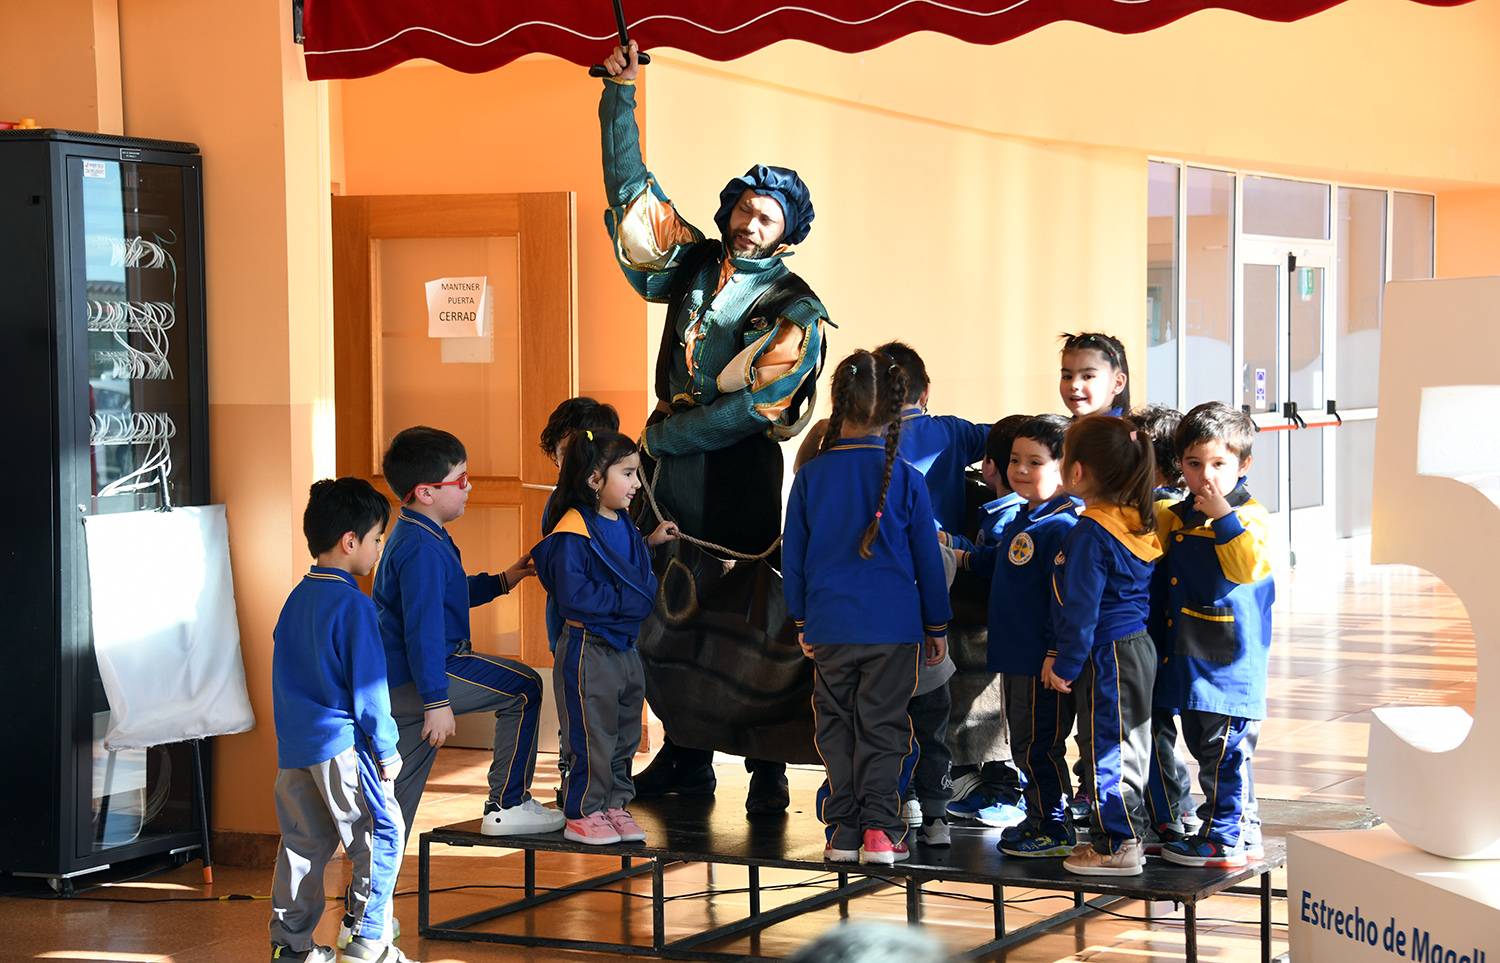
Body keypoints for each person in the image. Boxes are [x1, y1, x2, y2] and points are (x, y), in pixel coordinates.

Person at [599, 41, 830, 813]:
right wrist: (619, 98)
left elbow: (758, 405)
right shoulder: (695, 265)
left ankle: (768, 770)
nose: (748, 222)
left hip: (736, 474)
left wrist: (665, 440)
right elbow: (635, 202)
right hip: (671, 479)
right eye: (742, 208)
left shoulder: (796, 306)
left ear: (786, 231)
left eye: (765, 216)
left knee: (748, 614)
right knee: (672, 610)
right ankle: (686, 756)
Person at [783, 350, 951, 865]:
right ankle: (881, 831)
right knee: (884, 727)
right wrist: (936, 625)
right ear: (896, 410)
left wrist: (801, 619)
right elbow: (928, 558)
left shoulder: (811, 477)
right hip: (895, 632)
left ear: (838, 406)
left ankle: (844, 833)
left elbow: (794, 556)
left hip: (830, 628)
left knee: (835, 727)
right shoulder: (907, 479)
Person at [373, 426, 565, 840]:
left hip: (402, 681)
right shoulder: (422, 548)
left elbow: (449, 594)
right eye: (460, 480)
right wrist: (436, 701)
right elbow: (422, 631)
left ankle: (370, 900)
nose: (468, 486)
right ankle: (507, 804)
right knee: (526, 686)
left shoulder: (417, 532)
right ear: (426, 492)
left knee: (395, 804)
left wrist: (503, 580)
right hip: (428, 672)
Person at [269, 478, 416, 963]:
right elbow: (370, 689)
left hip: (296, 749)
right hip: (341, 748)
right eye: (377, 539)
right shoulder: (355, 604)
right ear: (349, 542)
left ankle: (290, 949)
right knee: (383, 832)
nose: (378, 549)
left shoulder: (296, 598)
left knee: (301, 846)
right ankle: (369, 940)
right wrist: (389, 748)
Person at [532, 429, 680, 844]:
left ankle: (614, 804)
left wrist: (647, 552)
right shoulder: (572, 528)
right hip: (587, 649)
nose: (636, 484)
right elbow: (574, 594)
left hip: (623, 648)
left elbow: (626, 568)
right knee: (591, 736)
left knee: (624, 733)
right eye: (629, 474)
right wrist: (628, 599)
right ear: (595, 479)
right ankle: (583, 811)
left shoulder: (624, 524)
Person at [955, 415, 1083, 858]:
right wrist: (962, 557)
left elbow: (1064, 601)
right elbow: (1001, 562)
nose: (1021, 471)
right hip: (1014, 655)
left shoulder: (1064, 525)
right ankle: (1041, 817)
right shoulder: (1027, 515)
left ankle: (1053, 825)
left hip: (1037, 660)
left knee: (1037, 745)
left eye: (1035, 462)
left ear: (1068, 469)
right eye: (1015, 460)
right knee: (1026, 742)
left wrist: (1053, 652)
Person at [1156, 402, 1275, 869]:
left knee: (1224, 754)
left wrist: (1223, 515)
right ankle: (1244, 830)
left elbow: (1246, 565)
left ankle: (1223, 837)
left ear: (1243, 465)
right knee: (1205, 747)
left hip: (1229, 667)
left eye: (1219, 464)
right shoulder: (1180, 512)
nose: (1205, 477)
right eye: (1194, 464)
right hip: (1190, 658)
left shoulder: (1249, 516)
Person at [1042, 415, 1161, 876]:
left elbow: (1082, 607)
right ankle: (1118, 835)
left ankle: (1119, 844)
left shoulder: (1091, 532)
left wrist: (1066, 664)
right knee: (1121, 743)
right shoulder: (1130, 519)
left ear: (1074, 473)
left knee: (1109, 749)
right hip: (1130, 648)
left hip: (1109, 652)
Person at [942, 414, 1030, 825]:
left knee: (1002, 717)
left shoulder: (1012, 516)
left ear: (988, 466)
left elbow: (995, 563)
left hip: (1002, 629)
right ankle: (996, 786)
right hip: (1000, 627)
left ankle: (1004, 792)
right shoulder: (1003, 510)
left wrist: (956, 551)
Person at [1129, 403, 1201, 851]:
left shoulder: (1158, 512)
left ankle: (1167, 816)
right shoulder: (1176, 506)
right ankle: (1178, 807)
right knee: (1158, 729)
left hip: (1153, 635)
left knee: (1152, 728)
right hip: (1168, 637)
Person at [538, 397, 622, 653]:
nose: (579, 464)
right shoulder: (562, 506)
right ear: (555, 455)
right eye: (567, 454)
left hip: (614, 635)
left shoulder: (614, 499)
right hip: (578, 639)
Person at [1059, 332, 1131, 418]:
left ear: (1117, 383)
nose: (1074, 385)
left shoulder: (1121, 431)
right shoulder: (1059, 429)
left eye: (1088, 376)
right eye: (1067, 377)